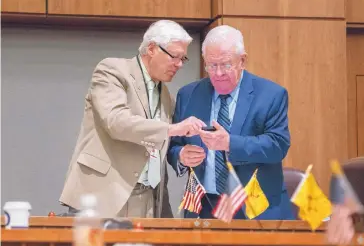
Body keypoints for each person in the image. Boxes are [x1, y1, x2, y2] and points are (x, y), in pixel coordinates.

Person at [59, 20, 205, 218]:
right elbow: (116, 122)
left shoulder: (166, 96)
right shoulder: (112, 71)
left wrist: (180, 154)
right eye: (175, 56)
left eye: (183, 59)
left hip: (149, 200)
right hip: (105, 193)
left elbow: (157, 149)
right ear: (152, 49)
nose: (179, 64)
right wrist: (172, 129)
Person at [167, 25, 295, 220]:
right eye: (211, 65)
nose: (218, 73)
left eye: (226, 65)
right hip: (205, 208)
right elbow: (174, 146)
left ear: (242, 60)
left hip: (256, 209)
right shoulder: (188, 95)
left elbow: (278, 145)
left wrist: (229, 143)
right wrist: (182, 155)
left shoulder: (270, 95)